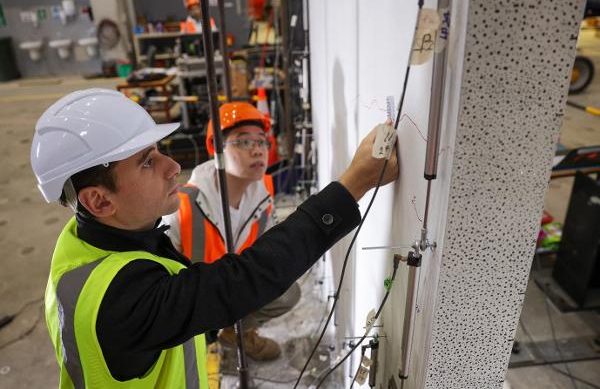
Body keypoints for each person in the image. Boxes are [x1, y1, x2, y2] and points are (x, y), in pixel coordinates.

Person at [31, 88, 399, 388]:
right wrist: (355, 183)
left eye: (159, 152)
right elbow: (245, 278)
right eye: (147, 161)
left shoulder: (88, 239)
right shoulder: (120, 302)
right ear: (98, 200)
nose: (173, 167)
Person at [164, 102, 296, 361]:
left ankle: (236, 332)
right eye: (244, 142)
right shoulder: (183, 205)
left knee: (287, 291)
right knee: (187, 362)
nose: (258, 150)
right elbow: (162, 288)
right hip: (193, 303)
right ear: (217, 149)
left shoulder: (263, 195)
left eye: (262, 141)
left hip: (233, 288)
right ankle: (204, 339)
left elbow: (265, 254)